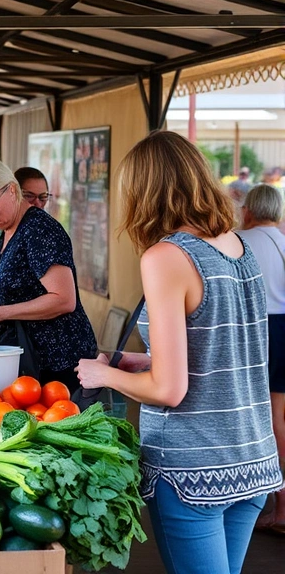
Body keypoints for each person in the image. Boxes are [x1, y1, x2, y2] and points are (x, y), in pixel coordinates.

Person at [76, 131, 282, 574]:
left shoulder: (166, 256)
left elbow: (169, 390)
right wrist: (143, 362)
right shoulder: (238, 246)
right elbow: (223, 353)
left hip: (193, 469)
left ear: (143, 192)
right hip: (252, 461)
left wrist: (104, 375)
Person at [0, 159, 96, 394]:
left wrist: (0, 313)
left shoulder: (39, 230)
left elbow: (64, 300)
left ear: (12, 189)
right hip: (31, 364)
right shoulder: (9, 228)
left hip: (56, 364)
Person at [235, 184, 285, 533]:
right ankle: (282, 508)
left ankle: (242, 498)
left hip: (252, 332)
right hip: (284, 332)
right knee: (278, 419)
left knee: (248, 415)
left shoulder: (237, 241)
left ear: (247, 211)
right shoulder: (284, 241)